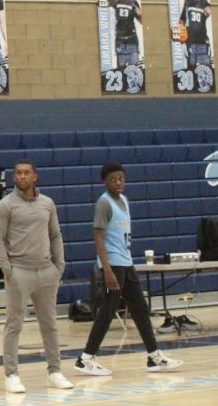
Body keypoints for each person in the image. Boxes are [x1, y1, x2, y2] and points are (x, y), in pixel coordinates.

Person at [74, 161, 182, 376]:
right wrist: (106, 270)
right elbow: (98, 238)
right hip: (112, 264)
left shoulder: (124, 200)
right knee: (107, 311)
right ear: (104, 181)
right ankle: (85, 358)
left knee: (140, 308)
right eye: (113, 179)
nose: (118, 182)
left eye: (121, 178)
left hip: (126, 262)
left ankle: (154, 356)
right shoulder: (103, 204)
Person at [0, 160, 73, 394]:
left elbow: (55, 234)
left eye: (26, 173)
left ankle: (55, 371)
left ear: (35, 176)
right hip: (19, 272)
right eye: (18, 173)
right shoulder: (5, 205)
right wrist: (7, 270)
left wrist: (59, 266)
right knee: (14, 325)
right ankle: (11, 374)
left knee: (50, 323)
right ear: (14, 177)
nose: (22, 176)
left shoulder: (47, 203)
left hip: (47, 271)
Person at [102, 0, 142, 68]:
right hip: (120, 40)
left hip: (132, 39)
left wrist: (140, 14)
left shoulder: (133, 2)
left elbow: (142, 21)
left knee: (134, 70)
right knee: (121, 70)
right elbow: (101, 3)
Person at [177, 0, 212, 70]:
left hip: (203, 41)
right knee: (192, 69)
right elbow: (181, 21)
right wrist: (181, 37)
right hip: (190, 42)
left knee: (205, 70)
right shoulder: (187, 4)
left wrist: (209, 10)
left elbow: (209, 10)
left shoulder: (204, 2)